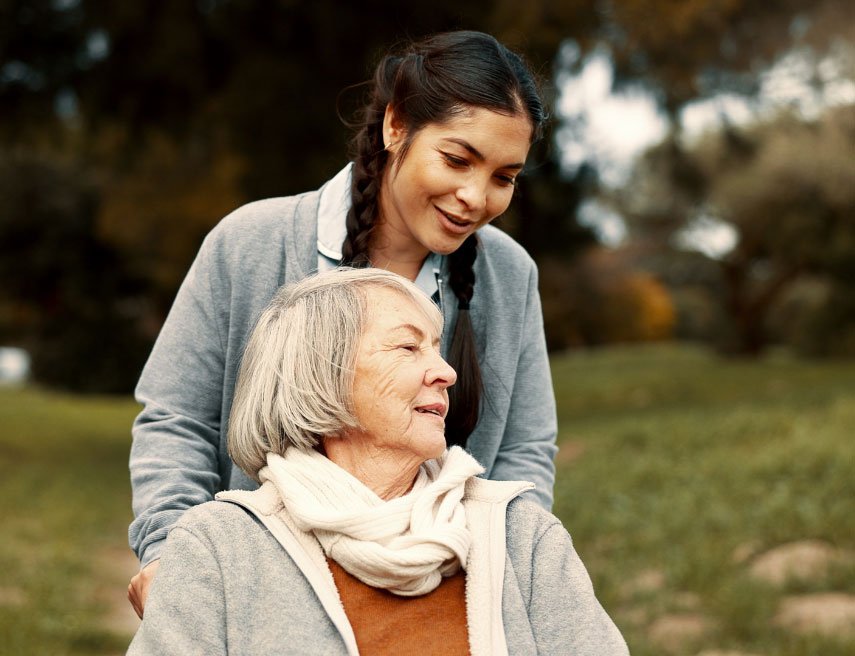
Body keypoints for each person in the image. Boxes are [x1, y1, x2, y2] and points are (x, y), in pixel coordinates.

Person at [128, 29, 559, 617]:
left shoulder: (509, 275)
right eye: (457, 159)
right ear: (396, 125)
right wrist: (169, 556)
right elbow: (176, 420)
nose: (474, 197)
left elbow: (524, 450)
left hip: (435, 601)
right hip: (257, 596)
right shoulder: (252, 242)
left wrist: (501, 574)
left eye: (504, 178)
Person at [127, 269, 627, 655]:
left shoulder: (522, 535)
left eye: (436, 348)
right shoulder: (217, 549)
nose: (448, 372)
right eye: (409, 347)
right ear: (321, 374)